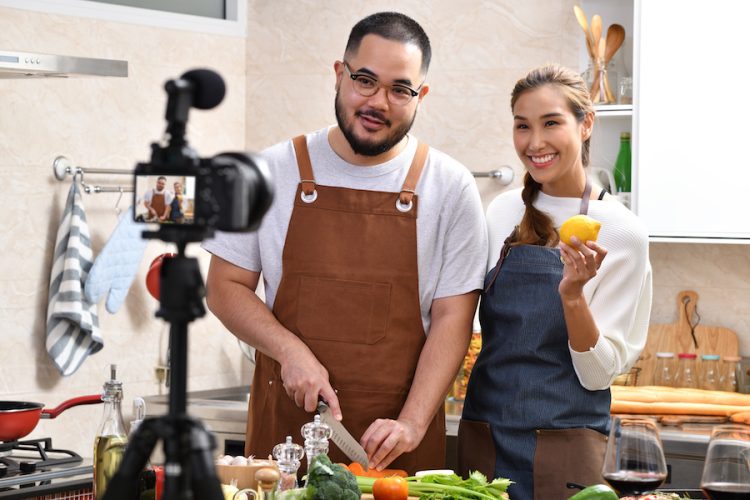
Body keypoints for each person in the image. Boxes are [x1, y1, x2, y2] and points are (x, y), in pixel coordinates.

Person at [203, 11, 487, 473]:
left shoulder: (451, 186)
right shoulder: (267, 171)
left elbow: (454, 315)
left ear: (421, 96)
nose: (379, 101)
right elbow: (224, 287)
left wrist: (412, 423)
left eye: (400, 89)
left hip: (395, 446)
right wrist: (290, 353)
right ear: (339, 74)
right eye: (365, 81)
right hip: (285, 443)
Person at [457, 64, 652, 500]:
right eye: (522, 126)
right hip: (484, 436)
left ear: (586, 124)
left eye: (551, 123)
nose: (535, 142)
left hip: (569, 446)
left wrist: (573, 297)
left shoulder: (621, 233)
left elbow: (598, 373)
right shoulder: (499, 213)